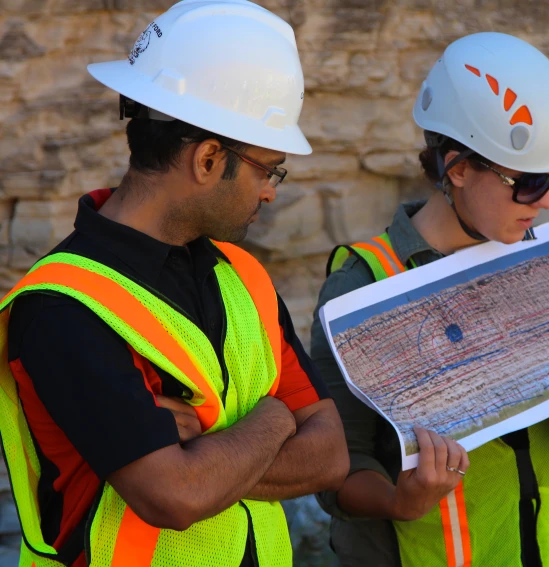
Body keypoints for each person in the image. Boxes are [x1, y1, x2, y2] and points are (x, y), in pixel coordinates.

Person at [0, 2, 349, 566]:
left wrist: (209, 452)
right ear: (209, 159)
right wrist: (276, 417)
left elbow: (331, 456)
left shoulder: (244, 279)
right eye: (269, 169)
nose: (270, 192)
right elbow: (176, 495)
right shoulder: (65, 307)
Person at [311, 32, 549, 567]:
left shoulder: (548, 266)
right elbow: (337, 467)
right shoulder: (363, 287)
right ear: (457, 168)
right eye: (529, 182)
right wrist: (402, 500)